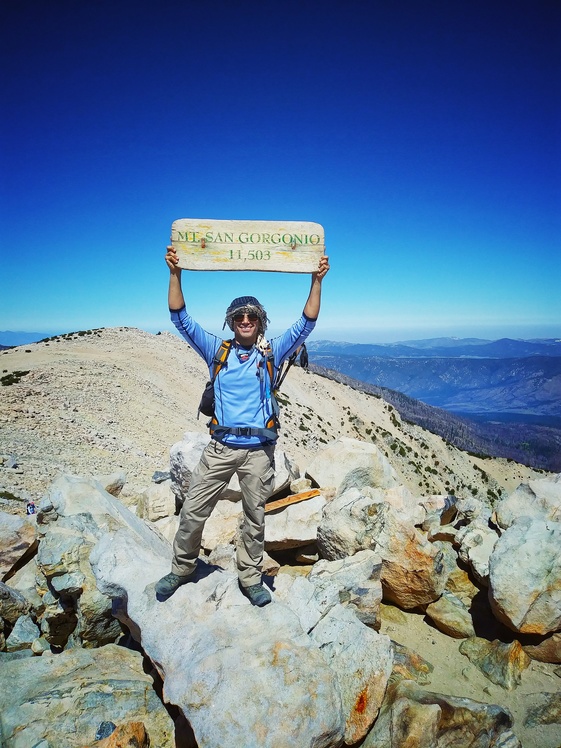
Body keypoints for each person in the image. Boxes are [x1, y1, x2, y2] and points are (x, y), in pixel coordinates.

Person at [155, 245, 329, 606]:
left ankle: (250, 578)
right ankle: (182, 567)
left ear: (259, 321)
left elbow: (306, 323)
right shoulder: (216, 351)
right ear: (231, 322)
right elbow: (180, 318)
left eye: (251, 317)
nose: (245, 321)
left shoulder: (273, 352)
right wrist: (176, 273)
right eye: (239, 317)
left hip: (258, 452)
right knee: (193, 510)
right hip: (220, 447)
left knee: (254, 518)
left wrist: (316, 280)